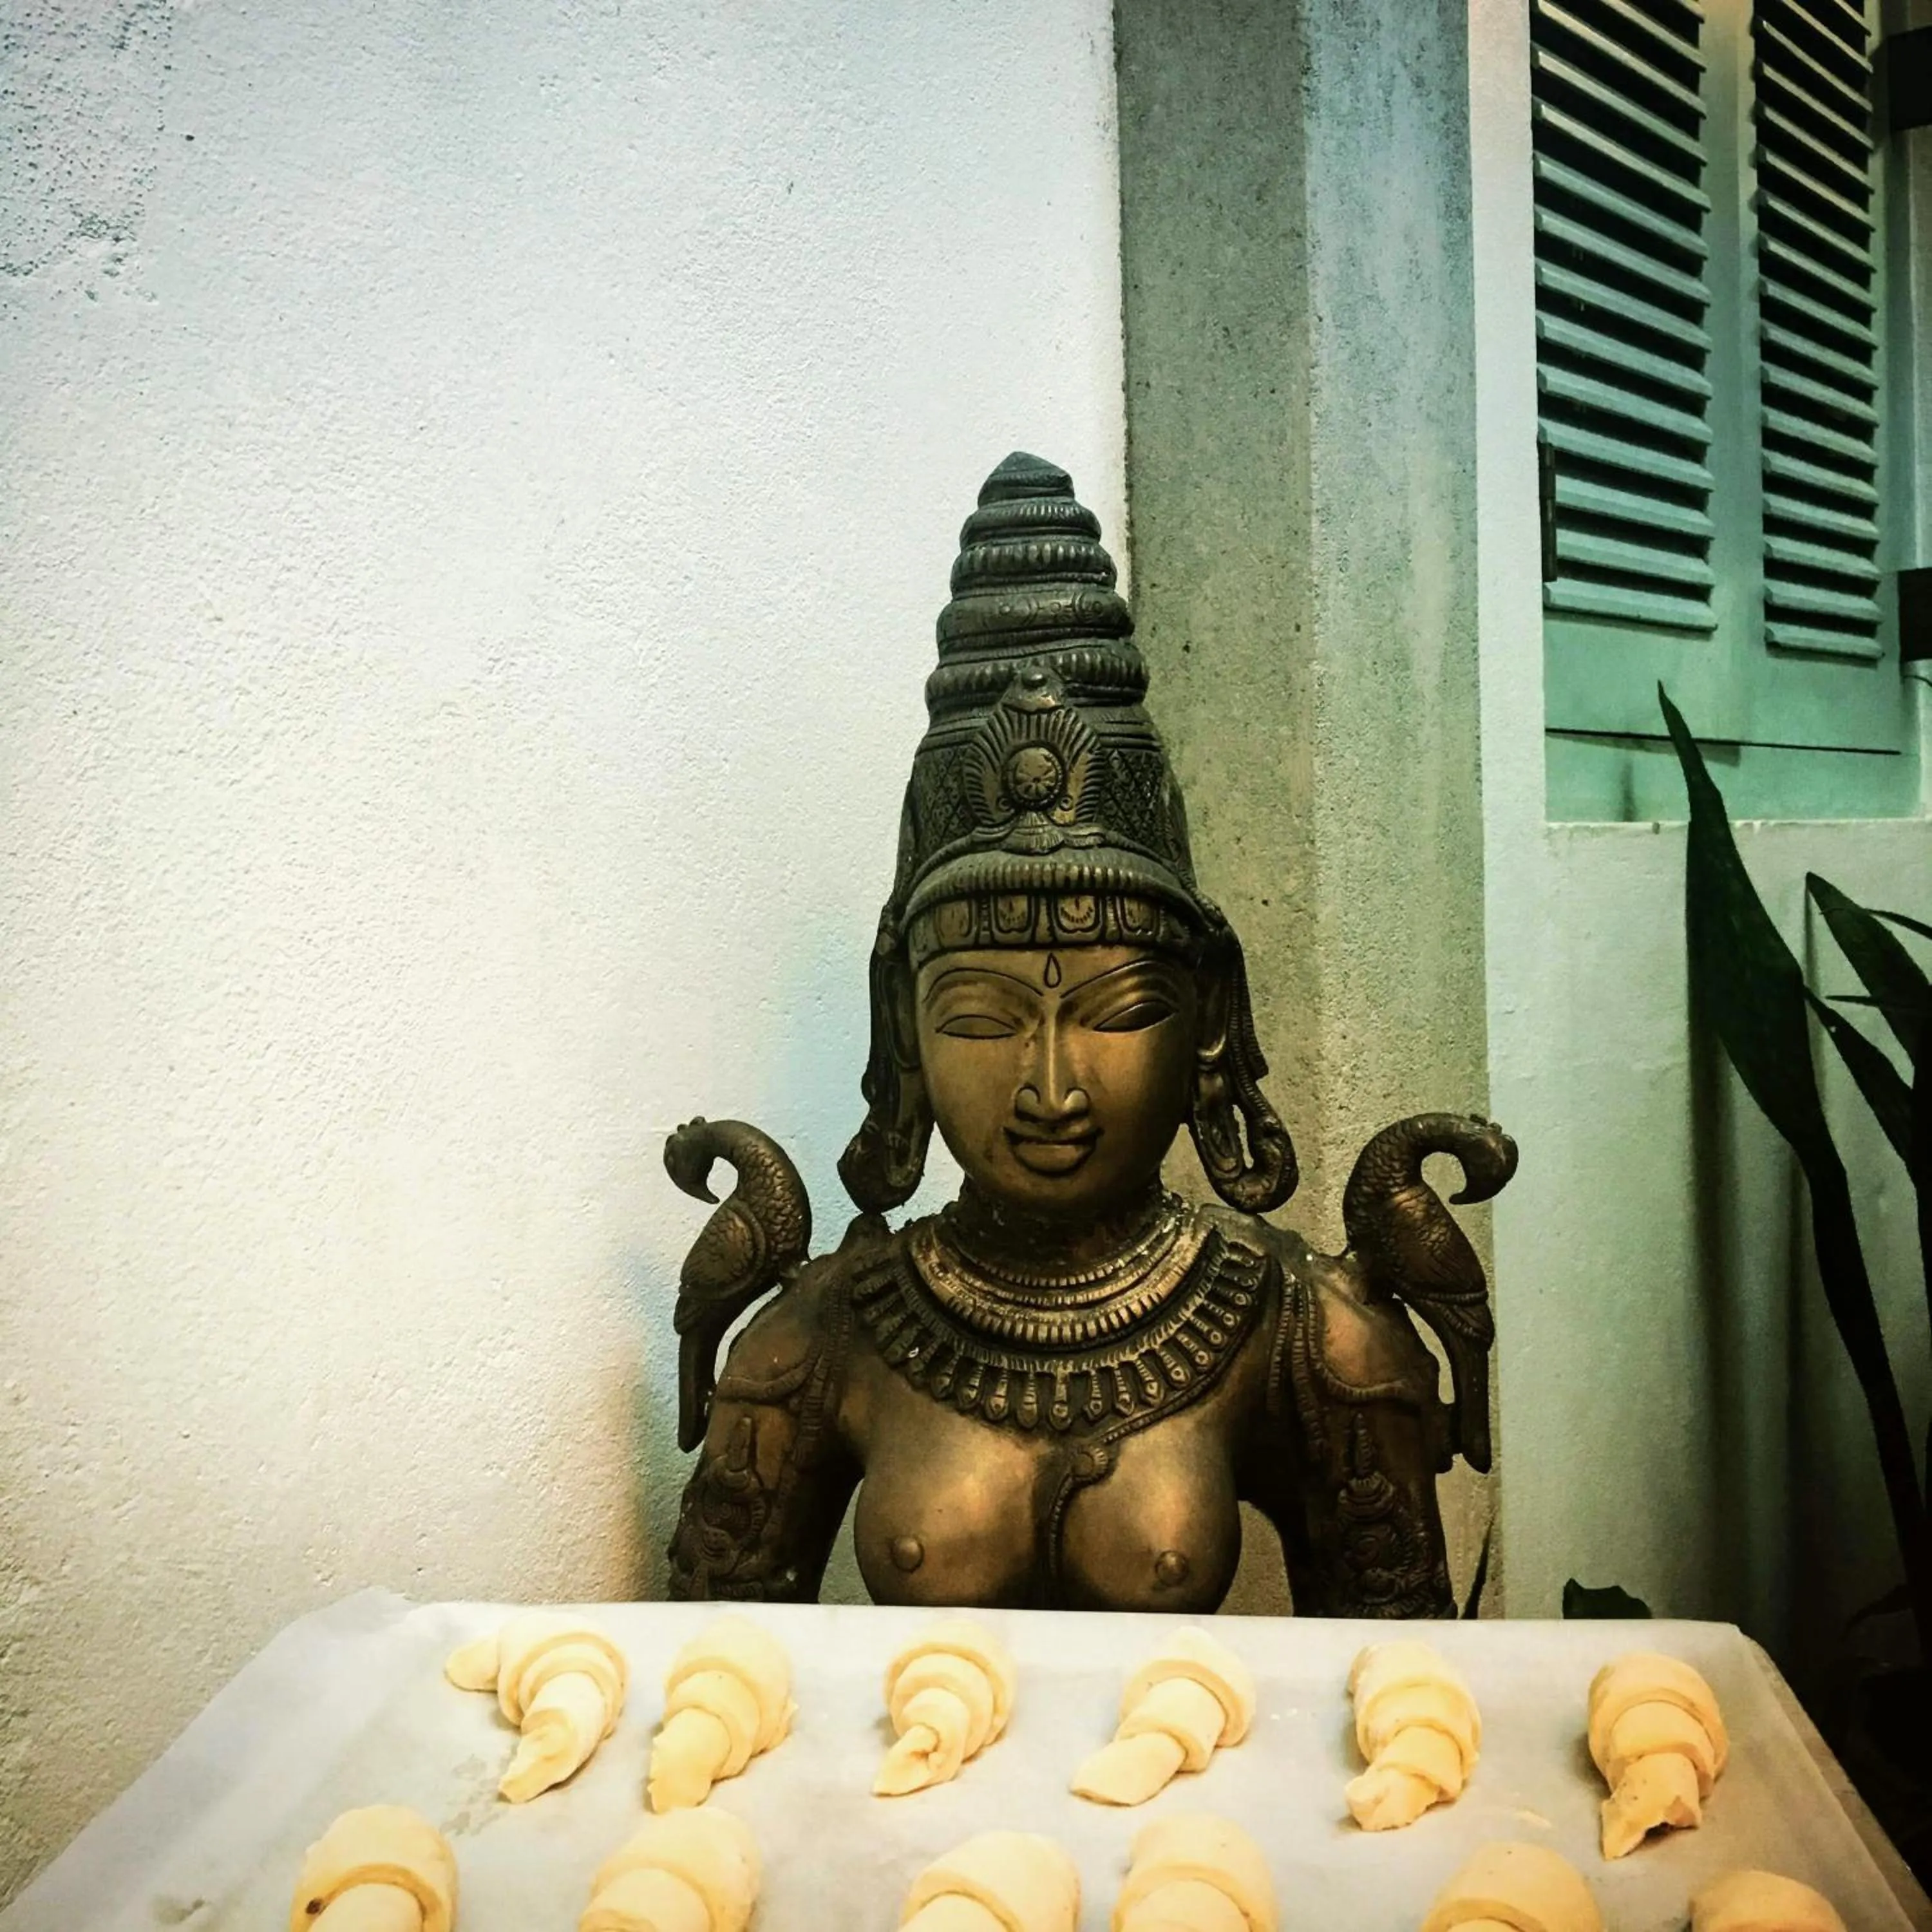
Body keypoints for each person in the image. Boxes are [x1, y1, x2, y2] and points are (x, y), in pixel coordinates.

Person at [665, 452, 1512, 1614]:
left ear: (1210, 1012)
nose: (1052, 1088)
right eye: (980, 1017)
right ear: (901, 1030)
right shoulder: (821, 1338)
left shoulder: (1303, 1335)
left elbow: (1396, 1701)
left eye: (1120, 1013)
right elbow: (722, 1678)